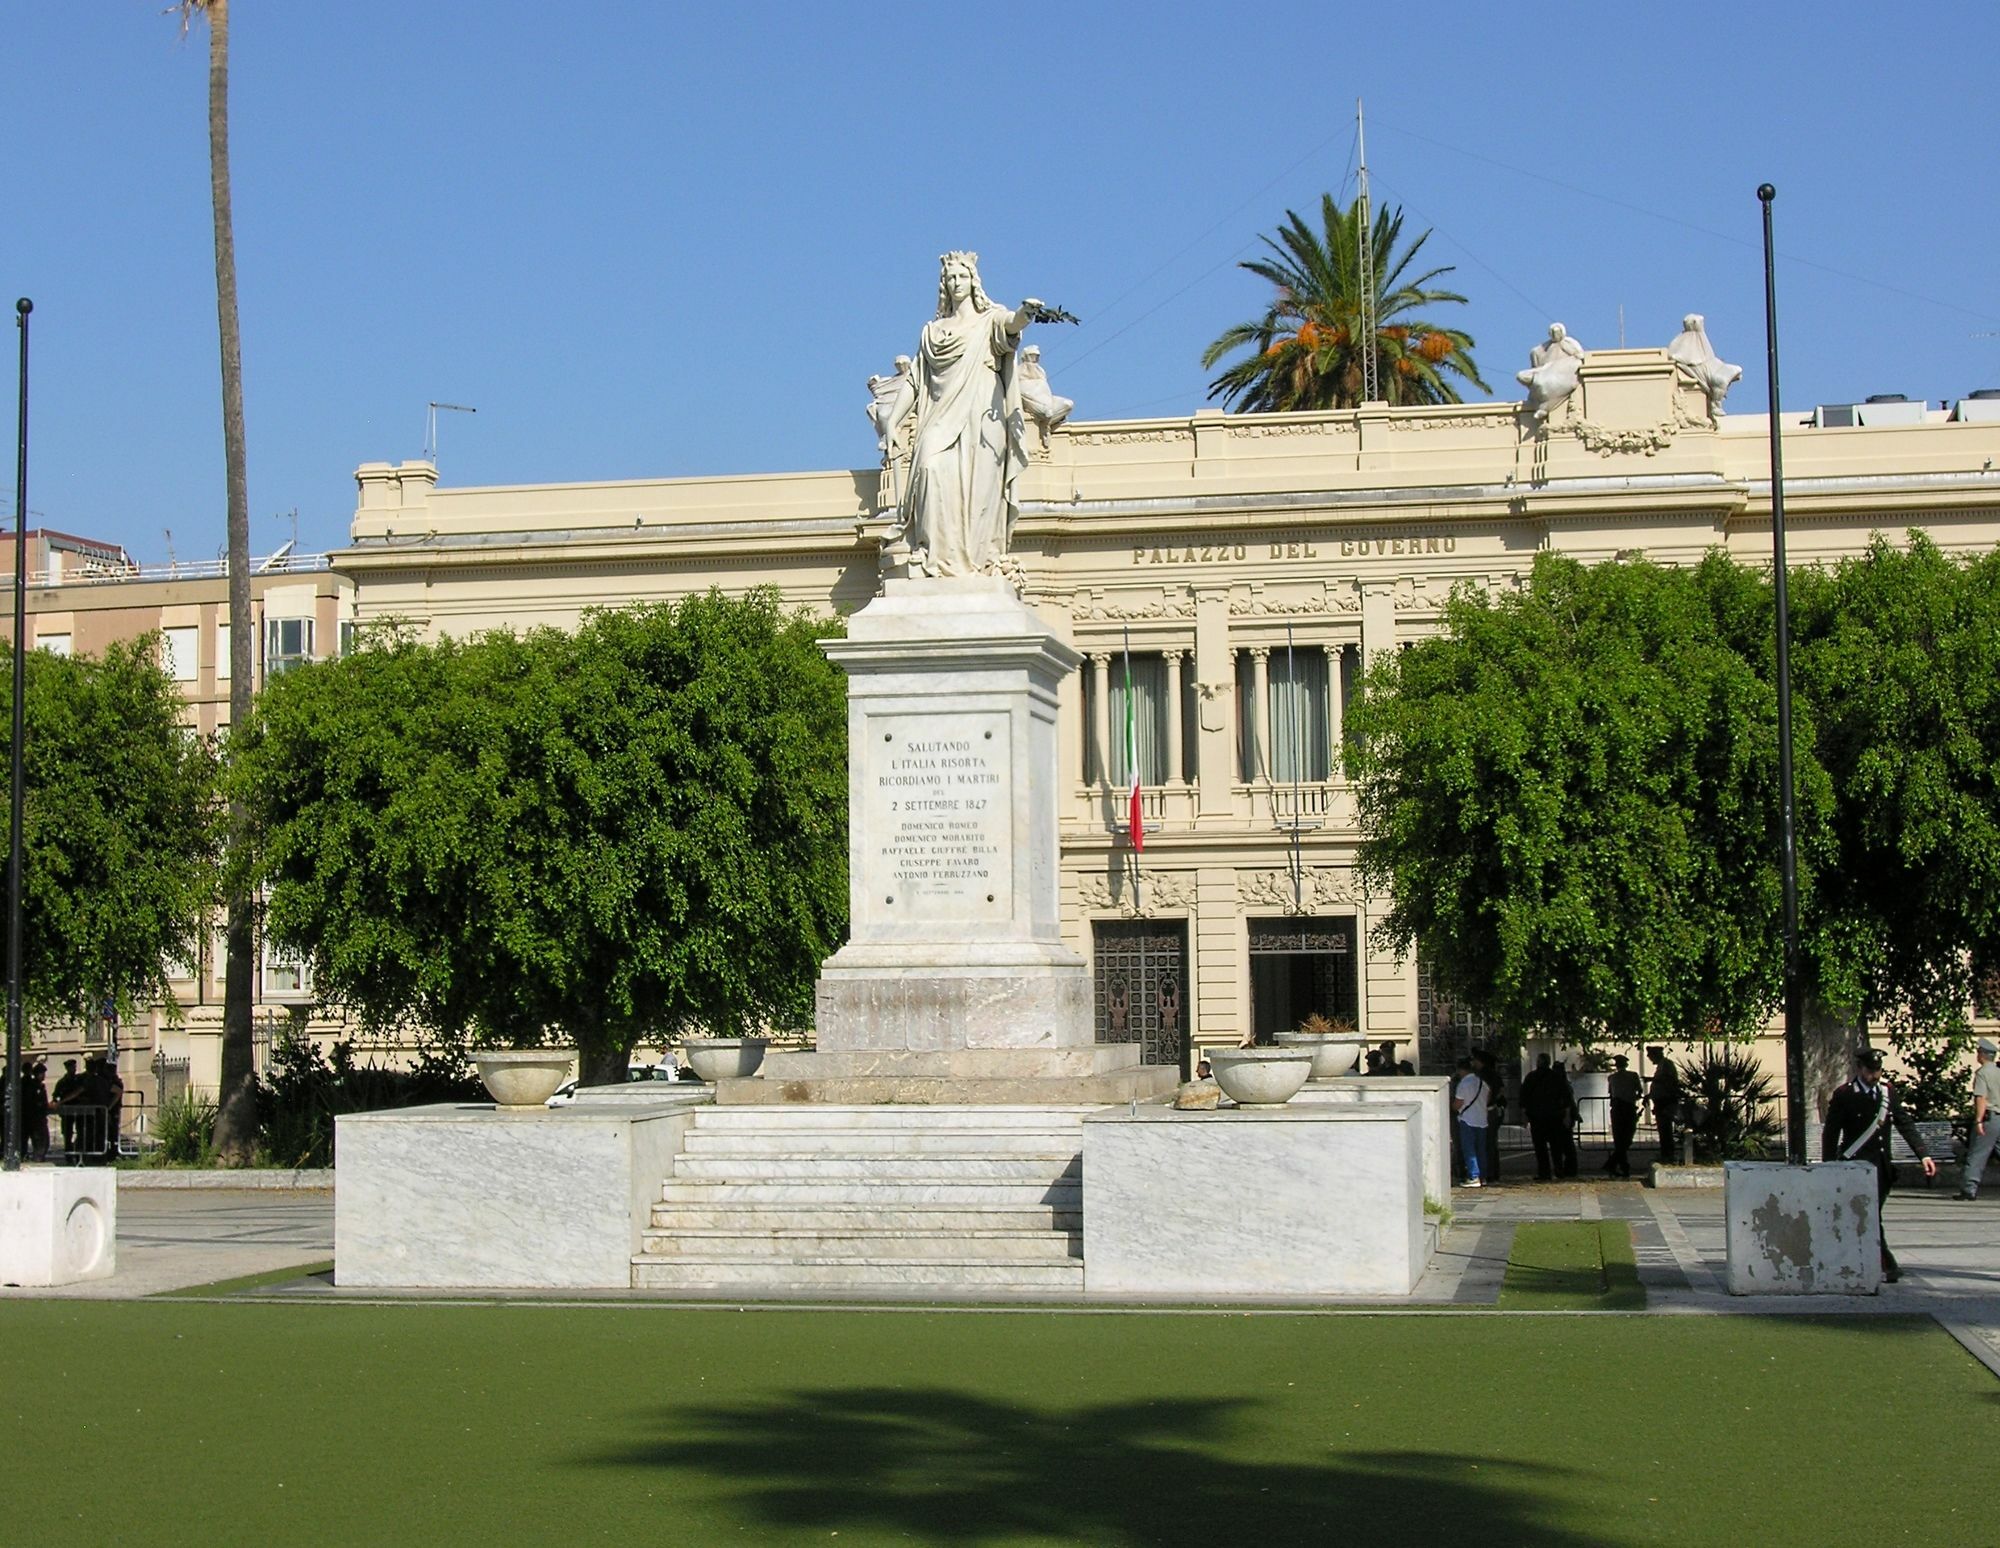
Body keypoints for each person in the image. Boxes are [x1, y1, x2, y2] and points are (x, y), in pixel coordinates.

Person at [876, 252, 1044, 577]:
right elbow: (915, 378)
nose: (956, 283)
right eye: (950, 278)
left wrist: (1025, 313)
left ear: (974, 281)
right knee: (929, 467)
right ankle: (934, 558)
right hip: (939, 416)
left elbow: (1011, 325)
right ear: (944, 285)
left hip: (981, 416)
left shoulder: (989, 320)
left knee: (979, 492)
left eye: (962, 277)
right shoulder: (932, 331)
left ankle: (977, 563)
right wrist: (892, 421)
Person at [1823, 1045, 1936, 1282]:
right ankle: (1885, 1263)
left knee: (1871, 1214)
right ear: (1860, 1068)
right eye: (1870, 1070)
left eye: (1878, 1070)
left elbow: (1904, 1123)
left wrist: (1923, 1154)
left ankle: (1868, 1261)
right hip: (1855, 1166)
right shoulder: (1845, 1094)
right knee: (1868, 1215)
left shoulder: (1887, 1093)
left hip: (1882, 1167)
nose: (1874, 1075)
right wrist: (1828, 1166)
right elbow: (1831, 1132)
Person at [1959, 1036, 2000, 1200]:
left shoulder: (1982, 1073)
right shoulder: (1998, 1072)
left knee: (1977, 1154)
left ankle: (1968, 1189)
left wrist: (1978, 1120)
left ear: (1982, 1054)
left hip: (1989, 1119)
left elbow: (1981, 1098)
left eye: (1978, 1052)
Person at [1520, 1054, 1565, 1181]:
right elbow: (1564, 1096)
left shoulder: (1531, 1077)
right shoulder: (1556, 1077)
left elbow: (1524, 1096)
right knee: (1556, 1146)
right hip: (1554, 1116)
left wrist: (1525, 1115)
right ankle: (1558, 1169)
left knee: (1540, 1147)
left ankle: (1544, 1172)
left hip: (1537, 1116)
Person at [1452, 1056, 1490, 1188]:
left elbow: (1458, 1103)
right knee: (1481, 1149)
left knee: (1469, 1149)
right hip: (1482, 1119)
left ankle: (1474, 1176)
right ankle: (1483, 1176)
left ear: (1461, 1070)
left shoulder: (1463, 1084)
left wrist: (1453, 1107)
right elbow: (1488, 1097)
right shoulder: (1481, 1083)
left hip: (1467, 1119)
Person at [1604, 1054, 1642, 1178]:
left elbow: (1611, 1094)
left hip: (1616, 1109)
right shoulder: (1633, 1076)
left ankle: (1614, 1164)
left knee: (1620, 1139)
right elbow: (1639, 1092)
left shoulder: (1612, 1078)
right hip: (1628, 1108)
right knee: (1627, 1138)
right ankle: (1620, 1166)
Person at [1648, 1050, 1682, 1165]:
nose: (1650, 1059)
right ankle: (1666, 1153)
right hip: (1660, 1100)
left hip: (1665, 1101)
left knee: (1665, 1128)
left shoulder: (1666, 1064)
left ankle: (1668, 1154)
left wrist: (1652, 1080)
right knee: (1663, 1129)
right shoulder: (1661, 1065)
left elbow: (1667, 1080)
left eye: (1651, 1057)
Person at [1552, 1061, 1581, 1178]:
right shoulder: (1563, 1083)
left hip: (1561, 1116)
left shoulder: (1560, 1084)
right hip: (1561, 1116)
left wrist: (1568, 1116)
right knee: (1566, 1146)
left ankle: (1565, 1169)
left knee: (1561, 1146)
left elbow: (1567, 1103)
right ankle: (1568, 1169)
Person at [52, 1057, 81, 1156]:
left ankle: (78, 1153)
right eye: (71, 1067)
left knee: (81, 1131)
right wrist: (55, 1103)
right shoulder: (62, 1082)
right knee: (67, 1133)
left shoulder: (78, 1080)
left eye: (74, 1067)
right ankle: (68, 1153)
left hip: (79, 1110)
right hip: (66, 1111)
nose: (73, 1069)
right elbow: (56, 1095)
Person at [23, 1059, 50, 1161]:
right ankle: (38, 1157)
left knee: (40, 1139)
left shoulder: (38, 1085)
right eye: (42, 1073)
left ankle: (38, 1156)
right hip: (35, 1118)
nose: (44, 1076)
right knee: (40, 1139)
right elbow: (35, 1102)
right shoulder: (34, 1086)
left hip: (37, 1117)